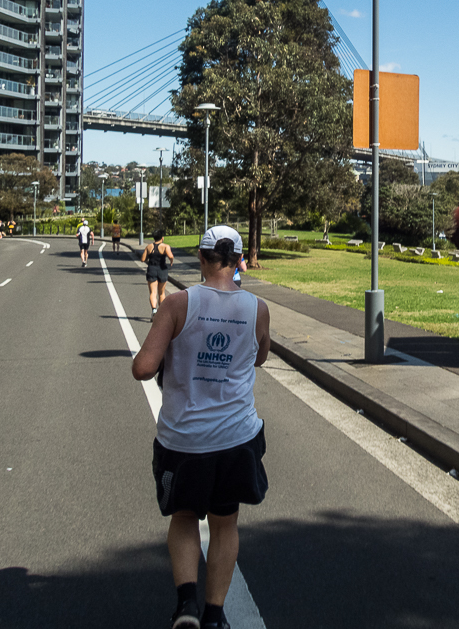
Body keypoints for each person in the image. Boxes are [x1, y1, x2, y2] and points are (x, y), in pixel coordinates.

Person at [132, 226, 270, 629]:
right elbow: (261, 356)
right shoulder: (258, 307)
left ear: (203, 259)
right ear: (239, 261)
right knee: (225, 521)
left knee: (185, 515)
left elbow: (142, 367)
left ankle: (186, 606)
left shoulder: (177, 303)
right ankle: (214, 616)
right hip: (236, 436)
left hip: (183, 438)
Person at [141, 231, 175, 315]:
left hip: (152, 269)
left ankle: (154, 310)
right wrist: (171, 261)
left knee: (153, 292)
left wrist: (149, 258)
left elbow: (142, 259)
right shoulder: (165, 246)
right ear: (162, 238)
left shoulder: (149, 247)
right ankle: (161, 312)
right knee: (161, 293)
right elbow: (170, 256)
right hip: (162, 269)